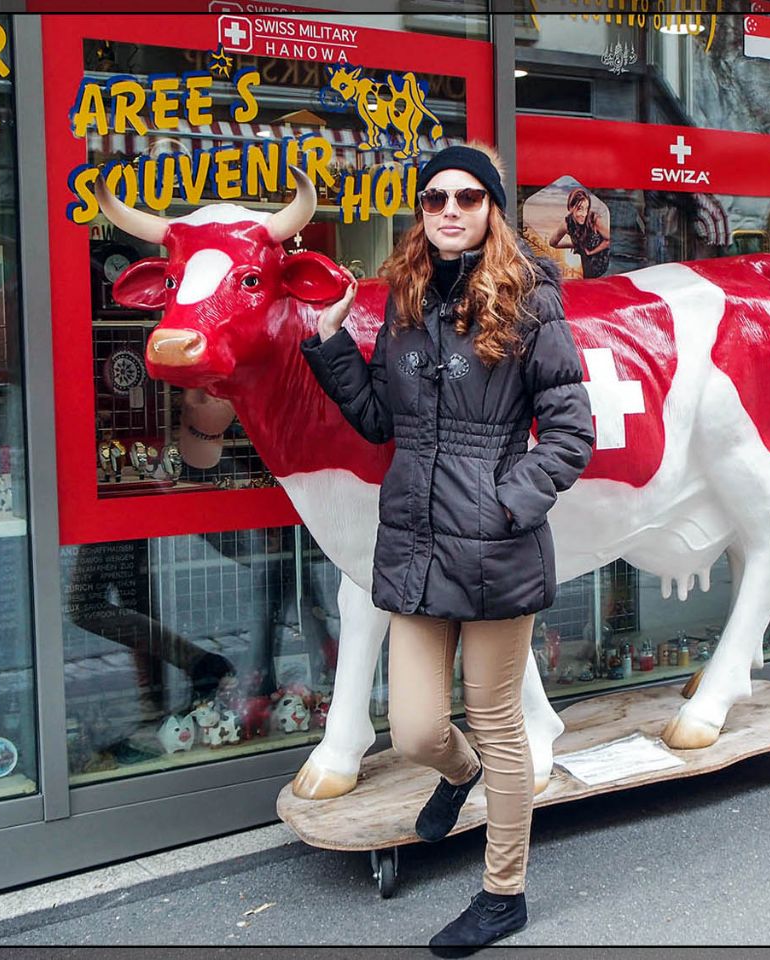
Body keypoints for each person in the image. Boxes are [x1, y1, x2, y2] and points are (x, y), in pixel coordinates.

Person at [300, 142, 595, 953]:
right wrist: (330, 349)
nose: (452, 210)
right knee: (417, 731)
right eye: (436, 199)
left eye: (469, 197)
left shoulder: (531, 300)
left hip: (496, 547)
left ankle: (504, 893)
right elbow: (379, 423)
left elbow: (571, 434)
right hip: (416, 544)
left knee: (497, 723)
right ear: (421, 213)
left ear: (493, 208)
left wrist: (505, 503)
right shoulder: (406, 299)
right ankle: (458, 779)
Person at [548, 187, 611, 278]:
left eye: (586, 209)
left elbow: (608, 240)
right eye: (580, 209)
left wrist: (591, 252)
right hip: (588, 266)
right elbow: (553, 243)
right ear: (570, 207)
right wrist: (575, 244)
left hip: (605, 264)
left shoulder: (594, 219)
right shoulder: (567, 224)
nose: (584, 214)